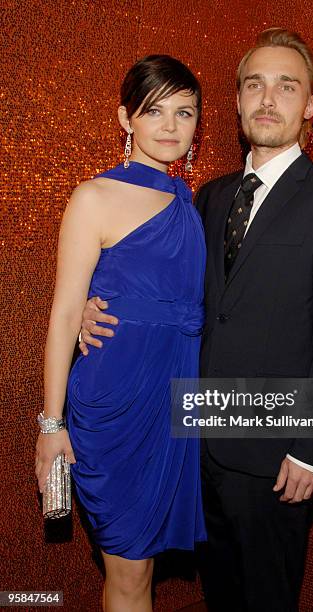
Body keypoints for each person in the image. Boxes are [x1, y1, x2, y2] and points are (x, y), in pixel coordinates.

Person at [79, 29, 313, 612]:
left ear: (310, 106)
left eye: (287, 86)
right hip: (193, 449)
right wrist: (97, 301)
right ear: (237, 102)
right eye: (254, 85)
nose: (269, 99)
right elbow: (168, 290)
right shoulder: (205, 198)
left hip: (277, 455)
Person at [35, 55, 207, 612]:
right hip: (115, 403)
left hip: (175, 400)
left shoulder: (191, 204)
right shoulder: (94, 197)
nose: (169, 126)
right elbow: (64, 316)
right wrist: (51, 425)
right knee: (131, 569)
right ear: (125, 118)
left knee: (137, 572)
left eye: (184, 113)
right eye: (154, 110)